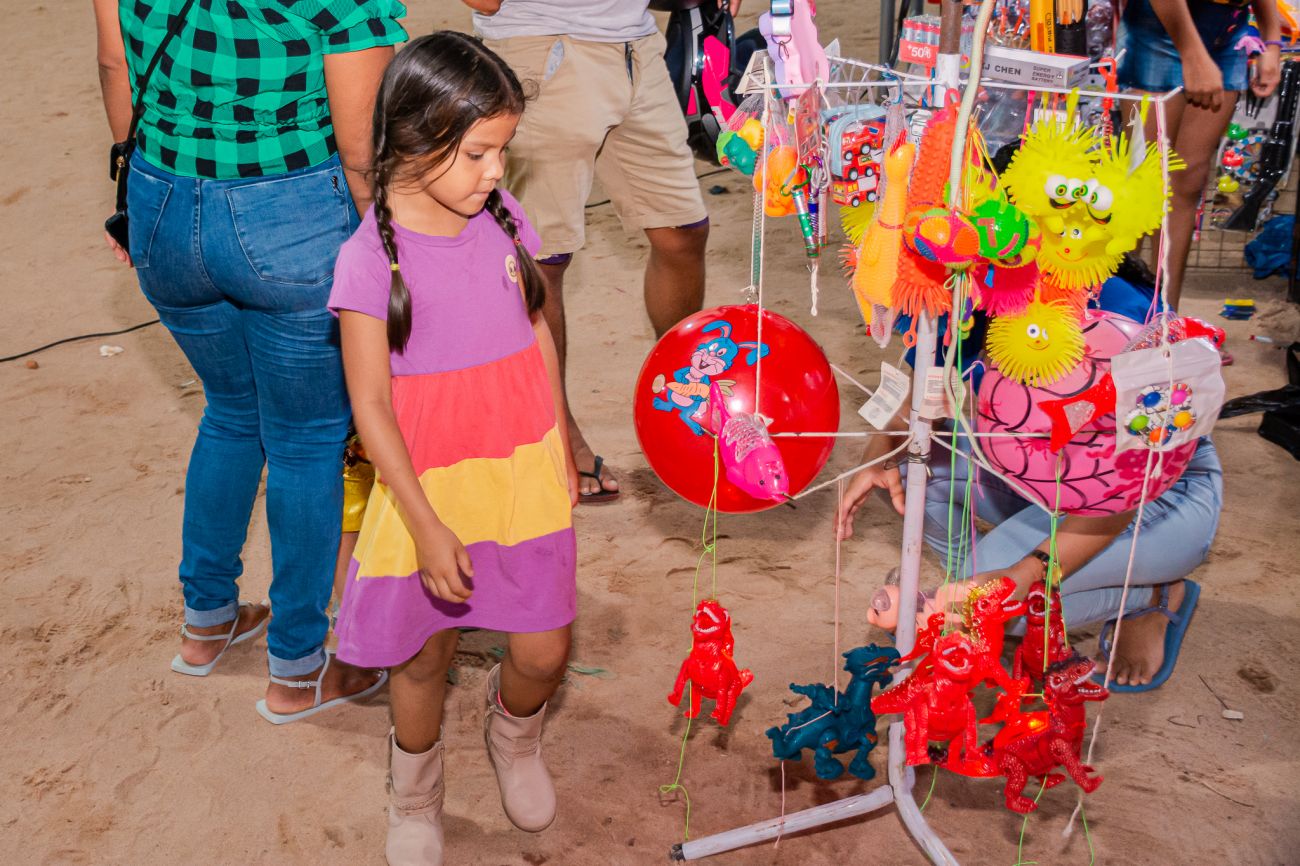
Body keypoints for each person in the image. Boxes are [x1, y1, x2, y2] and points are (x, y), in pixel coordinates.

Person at [94, 0, 402, 719]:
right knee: (305, 442)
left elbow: (115, 63)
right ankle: (297, 667)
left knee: (231, 413)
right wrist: (384, 249)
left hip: (162, 198)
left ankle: (206, 624)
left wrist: (137, 192)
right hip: (291, 210)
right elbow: (362, 148)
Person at [329, 33, 579, 864]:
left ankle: (516, 732)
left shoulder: (504, 220)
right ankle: (415, 785)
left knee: (543, 646)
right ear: (413, 138)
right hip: (425, 491)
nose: (496, 172)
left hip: (519, 470)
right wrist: (426, 526)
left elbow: (536, 329)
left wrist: (558, 439)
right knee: (423, 655)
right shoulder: (369, 261)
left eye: (503, 151)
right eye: (478, 154)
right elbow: (370, 405)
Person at [836, 278, 1223, 692]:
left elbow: (1120, 494)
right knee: (912, 469)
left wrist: (1023, 573)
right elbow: (921, 397)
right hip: (1046, 473)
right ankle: (970, 594)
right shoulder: (964, 290)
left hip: (1157, 493)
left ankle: (1150, 597)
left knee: (1010, 601)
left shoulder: (1119, 312)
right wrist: (875, 460)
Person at [463, 0, 733, 503]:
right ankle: (555, 430)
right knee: (543, 259)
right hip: (543, 47)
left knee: (682, 230)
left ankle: (685, 398)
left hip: (638, 45)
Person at [1118, 0, 1283, 309]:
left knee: (1189, 180)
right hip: (1162, 24)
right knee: (1142, 179)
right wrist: (1193, 55)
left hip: (1229, 30)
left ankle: (1166, 315)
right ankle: (1118, 310)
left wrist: (1271, 42)